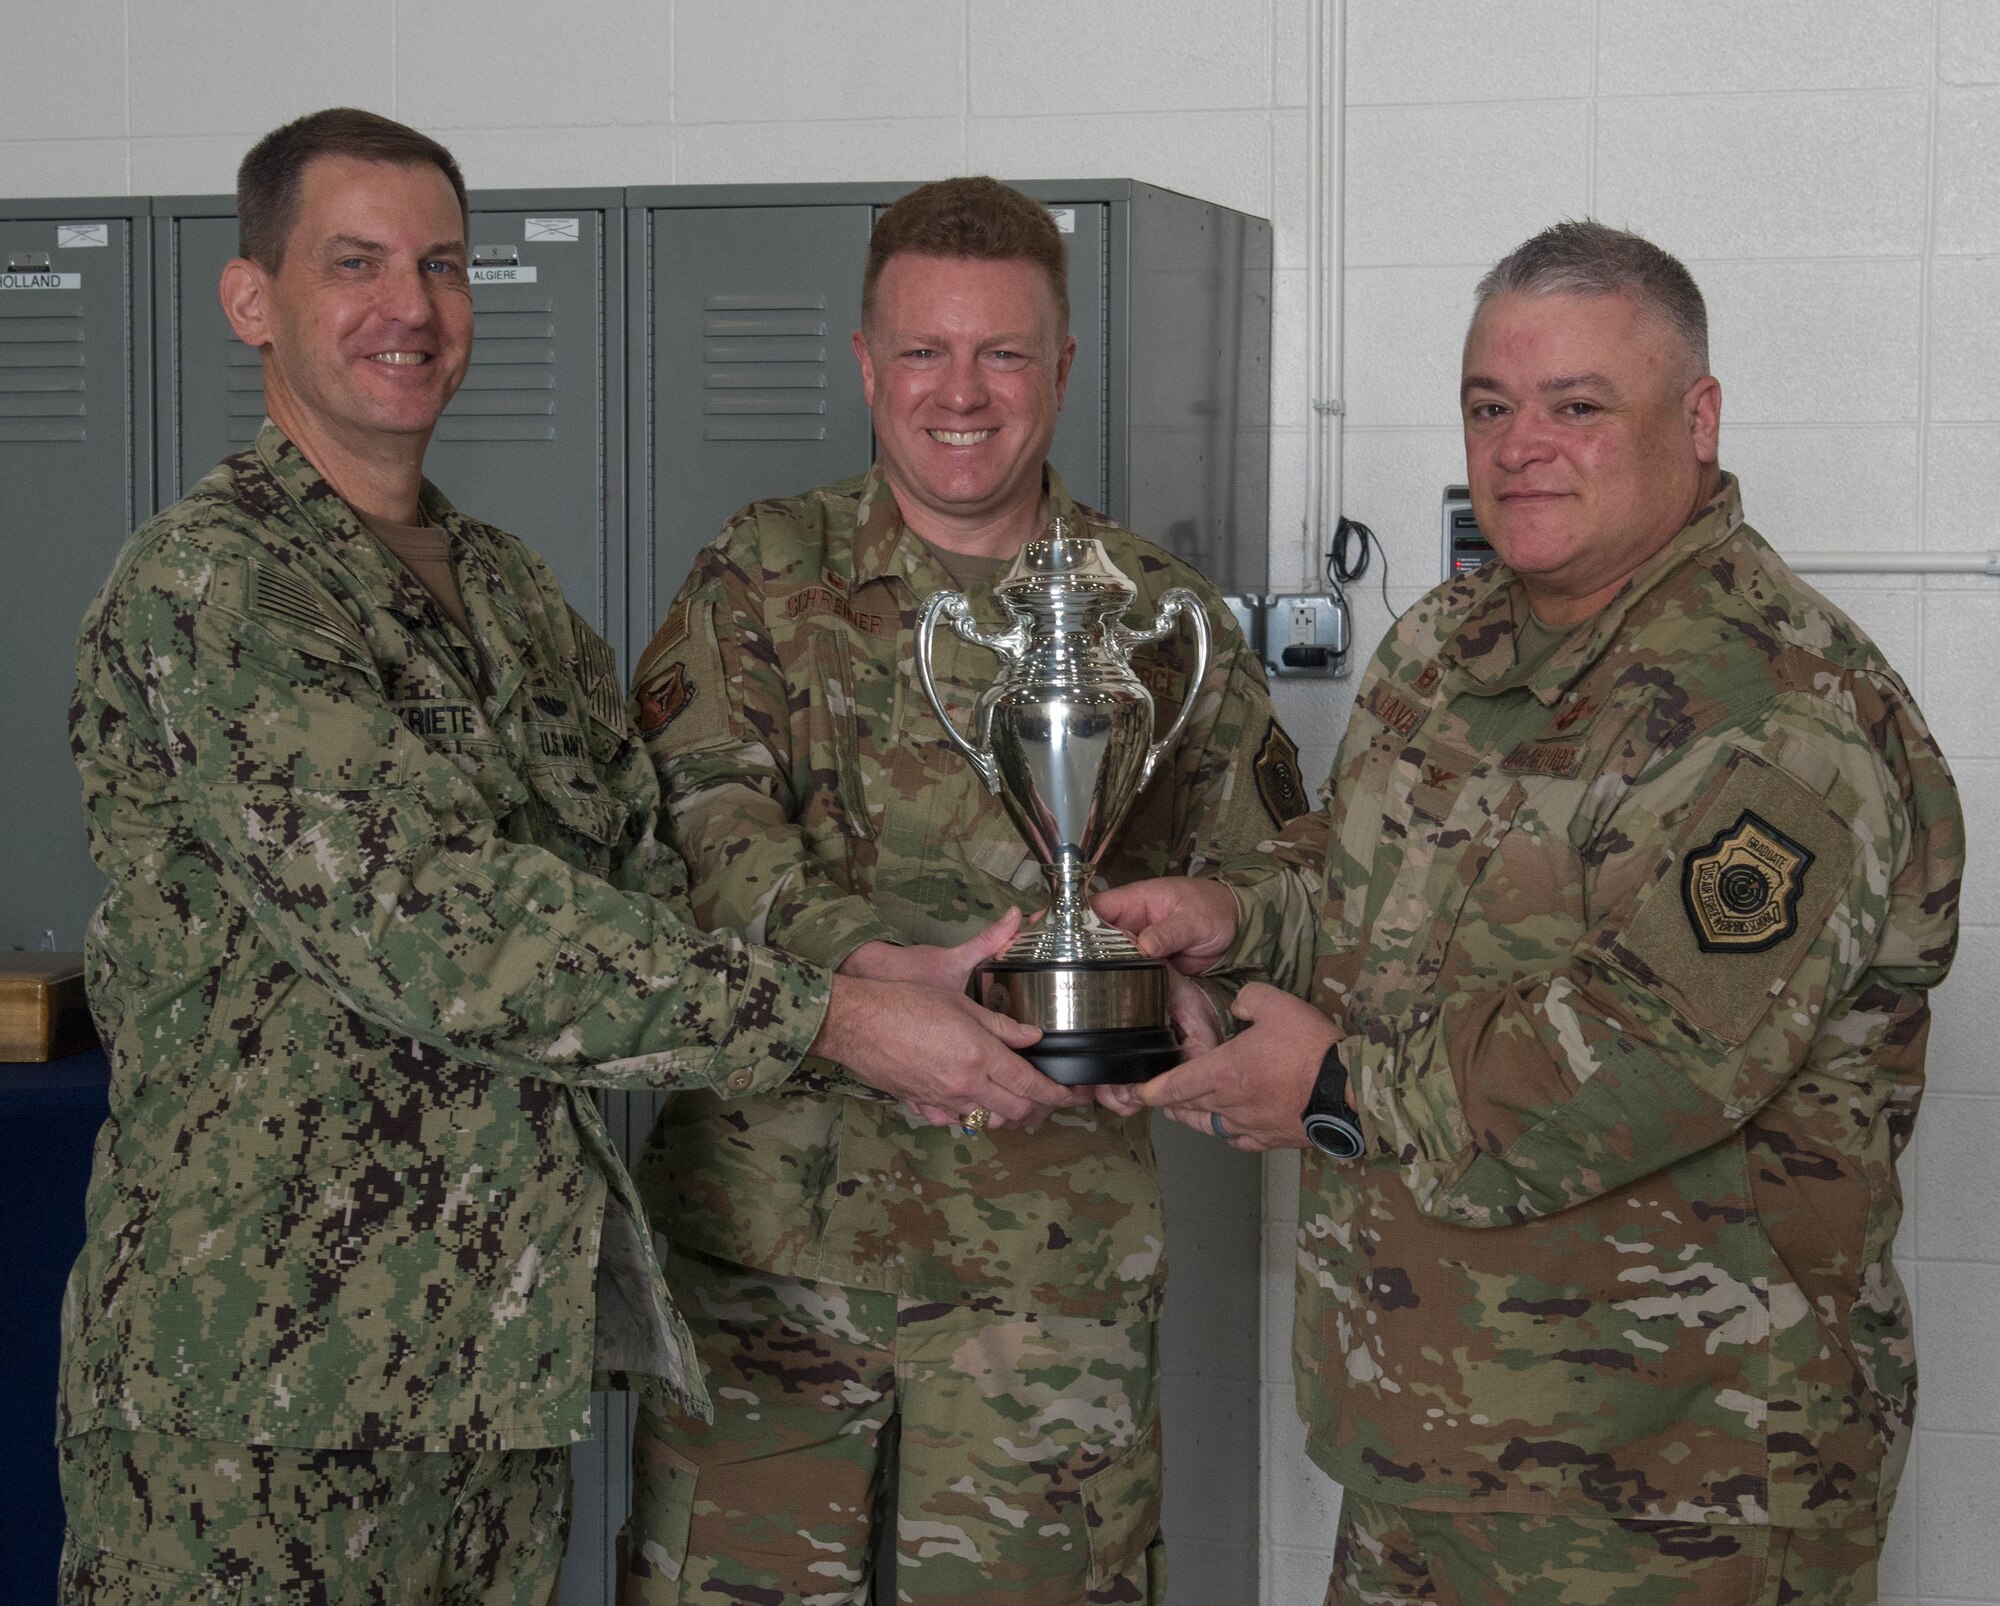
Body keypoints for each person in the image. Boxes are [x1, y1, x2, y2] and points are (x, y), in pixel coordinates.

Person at [60, 112, 1066, 1606]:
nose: (412, 307)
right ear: (251, 298)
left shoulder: (509, 594)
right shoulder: (217, 586)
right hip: (261, 1396)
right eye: (356, 264)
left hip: (486, 1377)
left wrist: (866, 960)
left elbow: (640, 890)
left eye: (443, 265)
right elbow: (443, 928)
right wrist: (839, 1021)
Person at [1096, 221, 1964, 1605]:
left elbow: (1649, 1054)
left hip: (1680, 1492)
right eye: (1491, 407)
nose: (1520, 446)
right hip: (1427, 1453)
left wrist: (1328, 1085)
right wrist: (1236, 915)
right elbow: (1361, 883)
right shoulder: (1448, 647)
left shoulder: (1786, 715)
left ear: (1697, 420)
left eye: (1576, 407)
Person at [621, 176, 1304, 1604]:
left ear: (1061, 367)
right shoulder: (758, 579)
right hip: (767, 1257)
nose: (962, 394)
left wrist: (1194, 967)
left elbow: (1283, 873)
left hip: (1044, 1281)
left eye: (1004, 353)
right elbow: (691, 827)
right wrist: (868, 974)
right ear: (867, 364)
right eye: (923, 351)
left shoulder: (1155, 615)